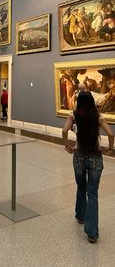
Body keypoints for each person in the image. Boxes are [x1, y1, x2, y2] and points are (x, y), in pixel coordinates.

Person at [62, 91, 114, 243]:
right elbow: (111, 134)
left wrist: (67, 146)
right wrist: (110, 149)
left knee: (81, 186)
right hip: (95, 156)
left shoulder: (74, 115)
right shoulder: (97, 116)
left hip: (79, 155)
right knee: (92, 193)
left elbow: (65, 130)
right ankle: (92, 232)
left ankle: (80, 215)